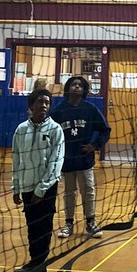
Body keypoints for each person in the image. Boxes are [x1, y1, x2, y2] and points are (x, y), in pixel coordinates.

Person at [11, 88, 65, 272]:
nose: (44, 105)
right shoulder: (21, 130)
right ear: (31, 105)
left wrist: (41, 189)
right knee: (32, 228)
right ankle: (33, 264)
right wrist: (16, 187)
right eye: (40, 102)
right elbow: (16, 159)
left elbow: (55, 162)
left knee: (44, 228)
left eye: (47, 102)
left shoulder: (55, 129)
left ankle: (41, 269)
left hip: (46, 188)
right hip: (26, 187)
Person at [51, 75, 111, 240]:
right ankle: (68, 224)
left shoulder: (90, 109)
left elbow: (105, 129)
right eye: (73, 84)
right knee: (69, 193)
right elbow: (49, 133)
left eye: (80, 85)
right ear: (68, 88)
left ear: (84, 90)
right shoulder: (59, 111)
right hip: (67, 160)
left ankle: (90, 222)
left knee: (88, 190)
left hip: (85, 159)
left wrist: (95, 145)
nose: (77, 87)